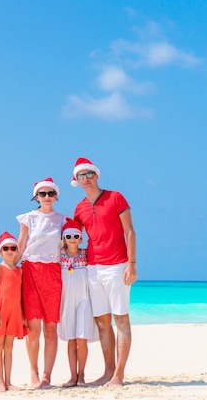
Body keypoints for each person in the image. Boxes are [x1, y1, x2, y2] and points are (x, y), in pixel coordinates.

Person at [70, 157, 137, 386]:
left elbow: (129, 232)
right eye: (81, 175)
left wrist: (132, 264)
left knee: (121, 320)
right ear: (76, 180)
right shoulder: (79, 208)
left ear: (97, 175)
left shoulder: (115, 197)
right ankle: (108, 372)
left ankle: (119, 374)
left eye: (89, 174)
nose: (86, 179)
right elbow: (72, 237)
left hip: (118, 265)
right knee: (102, 322)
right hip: (92, 268)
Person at [15, 177, 66, 389]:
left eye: (50, 193)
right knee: (33, 328)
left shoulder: (63, 220)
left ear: (56, 196)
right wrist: (8, 268)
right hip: (30, 272)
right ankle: (34, 373)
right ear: (36, 197)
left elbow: (70, 245)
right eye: (42, 194)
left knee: (51, 329)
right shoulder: (28, 218)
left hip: (53, 273)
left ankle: (47, 376)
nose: (46, 197)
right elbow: (21, 244)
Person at [0, 231, 27, 392]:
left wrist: (22, 315)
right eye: (6, 248)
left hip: (14, 312)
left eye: (13, 248)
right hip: (0, 312)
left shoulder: (19, 271)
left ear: (16, 250)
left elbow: (21, 295)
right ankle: (0, 382)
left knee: (9, 347)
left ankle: (9, 381)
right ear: (1, 251)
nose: (10, 251)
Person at [57, 217, 98, 388]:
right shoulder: (59, 257)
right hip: (66, 302)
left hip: (84, 300)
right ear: (63, 239)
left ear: (81, 238)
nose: (72, 239)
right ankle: (72, 376)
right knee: (71, 340)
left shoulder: (86, 254)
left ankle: (82, 375)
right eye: (68, 236)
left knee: (82, 338)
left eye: (76, 236)